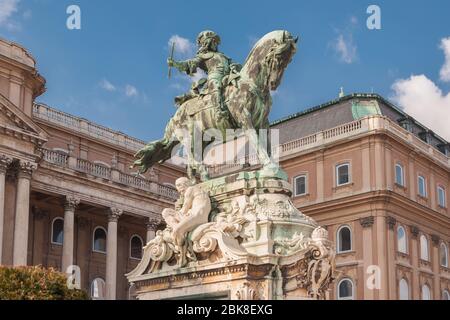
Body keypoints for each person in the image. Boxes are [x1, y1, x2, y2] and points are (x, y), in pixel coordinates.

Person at [167, 30, 240, 121]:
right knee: (215, 86)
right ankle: (218, 111)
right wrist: (175, 64)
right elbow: (189, 63)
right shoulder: (202, 56)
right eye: (213, 42)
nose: (215, 44)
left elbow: (233, 64)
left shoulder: (223, 56)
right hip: (214, 76)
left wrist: (235, 66)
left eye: (216, 42)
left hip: (228, 75)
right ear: (207, 43)